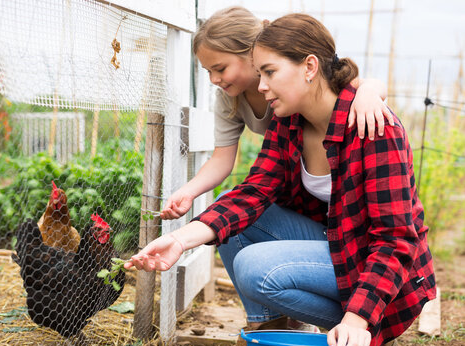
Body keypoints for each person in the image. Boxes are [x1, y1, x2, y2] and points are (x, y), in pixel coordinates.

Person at [126, 13, 436, 346]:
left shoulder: (373, 127)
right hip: (336, 241)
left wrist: (357, 318)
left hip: (383, 270)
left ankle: (364, 329)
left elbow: (396, 241)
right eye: (259, 74)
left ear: (309, 66)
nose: (260, 86)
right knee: (238, 223)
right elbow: (255, 191)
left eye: (270, 72)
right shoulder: (288, 123)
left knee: (256, 268)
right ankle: (275, 335)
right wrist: (180, 239)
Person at [160, 6, 393, 221]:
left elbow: (356, 83)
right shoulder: (229, 100)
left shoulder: (298, 85)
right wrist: (188, 191)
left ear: (253, 54)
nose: (213, 80)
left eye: (220, 68)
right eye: (208, 71)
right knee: (228, 211)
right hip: (294, 179)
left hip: (331, 186)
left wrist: (369, 93)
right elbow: (222, 158)